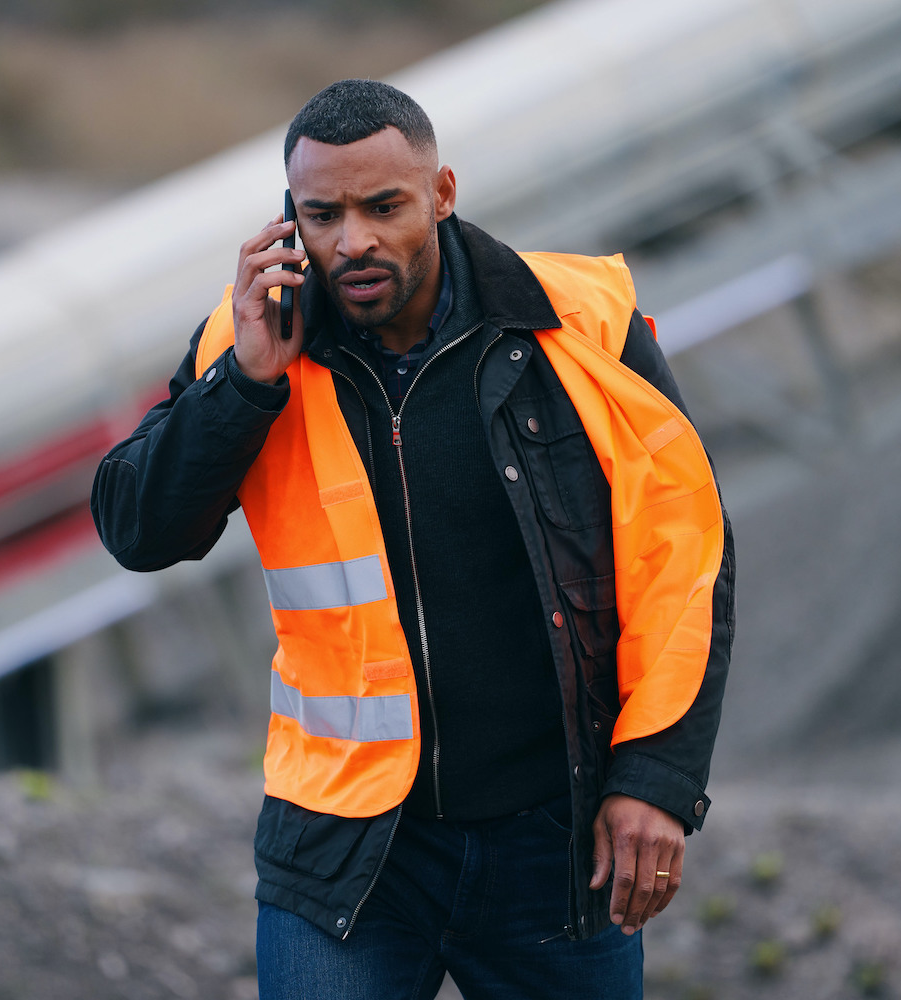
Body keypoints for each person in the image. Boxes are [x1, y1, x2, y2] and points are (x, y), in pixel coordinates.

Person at [92, 79, 734, 1000]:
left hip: (549, 847)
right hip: (348, 850)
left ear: (440, 194)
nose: (351, 240)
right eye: (322, 214)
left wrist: (657, 776)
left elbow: (688, 559)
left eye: (382, 206)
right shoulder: (250, 345)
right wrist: (244, 384)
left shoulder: (580, 324)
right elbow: (138, 531)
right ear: (288, 221)